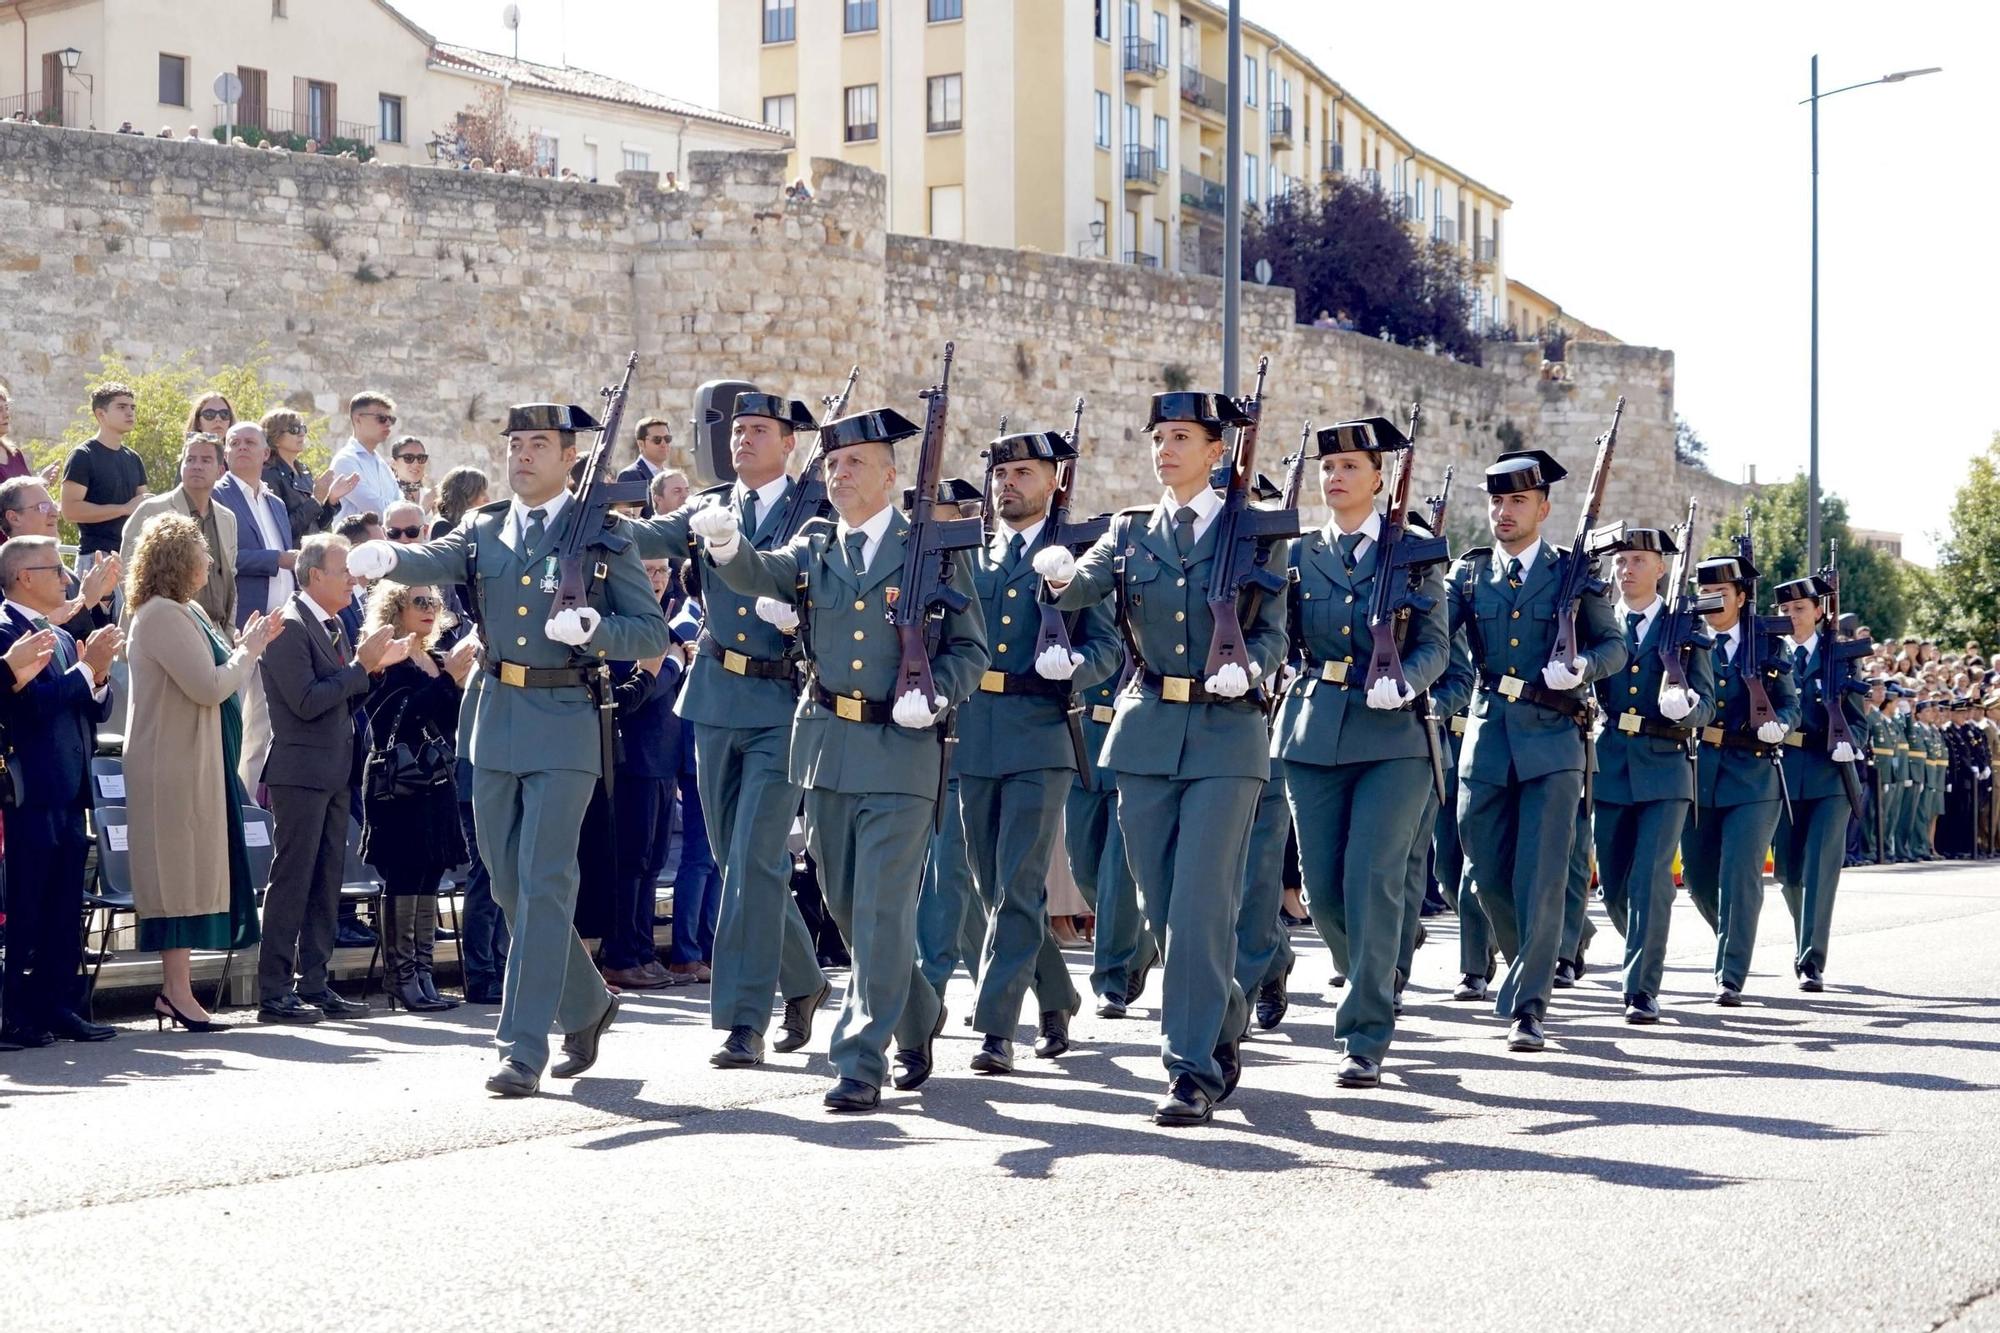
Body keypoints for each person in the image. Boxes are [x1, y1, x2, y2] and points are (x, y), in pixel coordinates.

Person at [348, 400, 669, 1097]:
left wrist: (598, 631)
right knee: (505, 880)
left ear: (568, 458)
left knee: (546, 877)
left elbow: (650, 633)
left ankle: (522, 1045)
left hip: (565, 718)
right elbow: (436, 554)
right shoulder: (485, 528)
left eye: (537, 444)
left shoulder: (605, 536)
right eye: (515, 442)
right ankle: (586, 1002)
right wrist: (389, 558)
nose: (522, 454)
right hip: (494, 715)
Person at [687, 402, 988, 1113]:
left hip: (901, 748)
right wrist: (729, 547)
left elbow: (971, 650)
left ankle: (858, 1057)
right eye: (831, 462)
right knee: (849, 906)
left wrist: (938, 693)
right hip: (825, 746)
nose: (840, 473)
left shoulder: (933, 551)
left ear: (889, 476)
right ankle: (915, 1015)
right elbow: (763, 574)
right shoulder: (819, 544)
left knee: (883, 906)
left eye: (854, 462)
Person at [1033, 389, 1290, 1126]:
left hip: (1226, 732)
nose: (1165, 450)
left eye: (1182, 437)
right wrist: (1057, 573)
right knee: (1159, 903)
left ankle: (1191, 1066)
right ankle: (1224, 1007)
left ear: (1218, 451)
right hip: (1146, 731)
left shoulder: (1254, 534)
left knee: (1203, 901)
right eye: (1158, 438)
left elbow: (1275, 626)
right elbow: (1084, 584)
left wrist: (1255, 664)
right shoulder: (1130, 530)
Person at [628, 392, 834, 1069]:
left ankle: (742, 1018)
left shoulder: (820, 510)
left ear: (789, 443)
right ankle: (804, 980)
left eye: (758, 430)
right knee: (737, 860)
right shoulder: (713, 507)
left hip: (782, 699)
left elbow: (841, 592)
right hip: (716, 695)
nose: (743, 440)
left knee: (753, 858)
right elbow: (648, 535)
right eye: (737, 429)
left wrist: (802, 617)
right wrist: (581, 519)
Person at [1273, 417, 1451, 1087]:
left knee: (1373, 877)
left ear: (1379, 477)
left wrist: (1404, 678)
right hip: (1316, 727)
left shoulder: (1415, 552)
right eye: (1328, 466)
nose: (1336, 476)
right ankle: (1380, 969)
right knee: (1322, 893)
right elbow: (1281, 636)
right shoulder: (1296, 555)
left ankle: (1365, 1030)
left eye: (1350, 465)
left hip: (1394, 737)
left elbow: (1437, 642)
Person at [1442, 449, 1624, 1051]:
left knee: (1542, 876)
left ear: (1544, 508)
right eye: (1496, 500)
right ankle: (1532, 959)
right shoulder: (1468, 576)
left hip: (1553, 736)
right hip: (1490, 729)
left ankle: (1530, 1004)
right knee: (1485, 871)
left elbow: (1615, 645)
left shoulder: (1575, 572)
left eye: (1518, 500)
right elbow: (1437, 636)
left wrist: (1584, 666)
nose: (1504, 512)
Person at [955, 428, 1118, 1075]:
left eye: (1023, 473)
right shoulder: (971, 552)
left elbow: (1106, 645)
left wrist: (1073, 664)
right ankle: (1058, 993)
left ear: (1054, 481)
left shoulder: (1076, 553)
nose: (1008, 484)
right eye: (1001, 473)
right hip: (974, 729)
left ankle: (996, 1025)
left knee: (1020, 880)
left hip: (1040, 730)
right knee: (991, 882)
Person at [124, 514, 281, 1031]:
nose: (210, 562)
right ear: (177, 560)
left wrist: (246, 649)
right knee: (176, 875)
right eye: (201, 551)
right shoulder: (161, 615)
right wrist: (250, 649)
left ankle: (178, 992)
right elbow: (210, 686)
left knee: (190, 872)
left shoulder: (186, 609)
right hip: (170, 763)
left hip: (196, 757)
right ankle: (175, 992)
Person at [256, 534, 408, 1023]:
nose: (352, 579)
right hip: (299, 773)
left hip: (335, 769)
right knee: (293, 880)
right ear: (315, 575)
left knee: (326, 883)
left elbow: (342, 703)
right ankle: (275, 990)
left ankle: (315, 983)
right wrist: (362, 666)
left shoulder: (334, 626)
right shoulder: (288, 625)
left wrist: (374, 671)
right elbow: (305, 701)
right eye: (343, 570)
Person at [1587, 528, 1715, 1024]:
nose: (1626, 570)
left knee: (1648, 880)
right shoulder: (1601, 623)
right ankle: (1644, 943)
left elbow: (1705, 703)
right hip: (1613, 759)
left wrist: (1686, 708)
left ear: (1660, 569)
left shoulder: (1685, 626)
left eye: (1638, 560)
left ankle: (1641, 987)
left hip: (1665, 763)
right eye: (1620, 561)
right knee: (1614, 886)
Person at [0, 537, 121, 1045]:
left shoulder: (62, 635)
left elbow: (94, 710)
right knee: (26, 910)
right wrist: (83, 671)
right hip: (30, 792)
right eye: (55, 569)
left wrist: (98, 675)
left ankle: (56, 1007)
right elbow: (27, 709)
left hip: (69, 791)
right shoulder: (6, 631)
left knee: (63, 910)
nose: (67, 579)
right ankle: (15, 1013)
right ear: (25, 576)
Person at [1679, 553, 1797, 1004]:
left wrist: (1780, 724)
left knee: (1740, 873)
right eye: (1705, 593)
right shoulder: (1686, 642)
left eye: (1721, 593)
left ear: (1741, 597)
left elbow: (1789, 703)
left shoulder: (1766, 646)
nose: (1711, 601)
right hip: (1699, 769)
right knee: (1697, 876)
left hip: (1753, 775)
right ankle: (1731, 937)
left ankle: (1730, 972)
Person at [360, 580, 479, 1012]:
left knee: (430, 875)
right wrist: (447, 680)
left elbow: (447, 719)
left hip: (436, 783)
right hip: (401, 786)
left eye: (434, 601)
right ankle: (402, 977)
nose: (430, 608)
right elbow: (398, 718)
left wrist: (457, 682)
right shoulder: (386, 654)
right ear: (397, 608)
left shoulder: (432, 657)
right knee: (405, 876)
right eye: (419, 602)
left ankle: (423, 972)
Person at [1774, 574, 1866, 992]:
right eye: (1785, 610)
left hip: (1830, 772)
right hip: (1782, 770)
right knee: (1789, 873)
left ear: (1818, 611)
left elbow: (1859, 718)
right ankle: (1803, 939)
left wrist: (1853, 743)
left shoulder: (1840, 656)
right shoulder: (1770, 654)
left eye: (1799, 609)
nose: (1792, 616)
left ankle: (1812, 960)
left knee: (1819, 869)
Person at [597, 557, 683, 990]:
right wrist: (672, 665)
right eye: (647, 571)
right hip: (632, 759)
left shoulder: (661, 622)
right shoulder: (621, 624)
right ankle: (621, 955)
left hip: (664, 760)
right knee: (630, 864)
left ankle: (644, 952)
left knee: (651, 865)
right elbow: (634, 692)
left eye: (663, 571)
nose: (656, 579)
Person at [214, 421, 297, 792]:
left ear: (266, 453)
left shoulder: (275, 502)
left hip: (277, 627)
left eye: (250, 442)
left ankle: (246, 803)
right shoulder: (217, 496)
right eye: (234, 442)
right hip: (239, 624)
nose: (241, 447)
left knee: (261, 724)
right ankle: (224, 800)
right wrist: (275, 559)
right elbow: (221, 557)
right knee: (232, 716)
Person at [121, 432, 237, 633]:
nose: (197, 465)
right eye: (190, 459)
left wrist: (229, 633)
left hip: (216, 632)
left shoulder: (227, 519)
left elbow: (230, 580)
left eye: (206, 460)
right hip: (164, 631)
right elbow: (129, 574)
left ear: (220, 471)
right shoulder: (153, 511)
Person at [59, 381, 150, 597]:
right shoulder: (83, 455)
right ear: (101, 414)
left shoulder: (133, 458)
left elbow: (142, 505)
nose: (130, 412)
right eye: (121, 407)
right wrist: (123, 509)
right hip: (96, 559)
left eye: (132, 407)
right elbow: (70, 510)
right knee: (98, 629)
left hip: (132, 559)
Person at [0, 477, 122, 636]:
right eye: (42, 507)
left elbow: (91, 638)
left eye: (53, 505)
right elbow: (14, 636)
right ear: (14, 518)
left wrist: (103, 595)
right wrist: (84, 602)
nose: (54, 513)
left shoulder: (67, 575)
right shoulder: (5, 573)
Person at [262, 408, 358, 539]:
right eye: (294, 430)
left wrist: (331, 500)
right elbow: (282, 530)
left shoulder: (303, 470)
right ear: (275, 438)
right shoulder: (268, 474)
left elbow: (317, 525)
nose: (301, 434)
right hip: (289, 556)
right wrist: (316, 500)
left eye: (302, 428)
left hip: (311, 552)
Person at [329, 391, 403, 521]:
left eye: (391, 419)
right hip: (356, 540)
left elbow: (401, 505)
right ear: (358, 419)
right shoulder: (345, 461)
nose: (388, 424)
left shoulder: (382, 465)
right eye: (381, 418)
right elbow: (377, 511)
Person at [619, 417, 676, 516]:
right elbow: (627, 522)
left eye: (667, 439)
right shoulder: (629, 476)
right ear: (641, 444)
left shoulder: (672, 477)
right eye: (657, 439)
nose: (664, 444)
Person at [0, 384, 32, 482]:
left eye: (7, 408)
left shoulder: (15, 454)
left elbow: (26, 495)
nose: (6, 415)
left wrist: (43, 481)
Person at [387, 435, 429, 505]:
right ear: (394, 463)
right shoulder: (385, 496)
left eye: (421, 458)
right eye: (408, 458)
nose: (416, 464)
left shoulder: (434, 498)